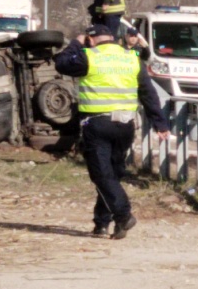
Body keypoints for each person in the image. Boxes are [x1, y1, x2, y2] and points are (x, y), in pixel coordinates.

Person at [55, 23, 168, 238]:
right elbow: (148, 93)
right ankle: (103, 223)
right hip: (125, 125)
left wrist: (75, 44)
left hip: (97, 124)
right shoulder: (131, 58)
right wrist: (160, 123)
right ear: (114, 38)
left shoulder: (89, 56)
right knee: (111, 175)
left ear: (90, 39)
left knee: (102, 175)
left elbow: (60, 64)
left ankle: (124, 215)